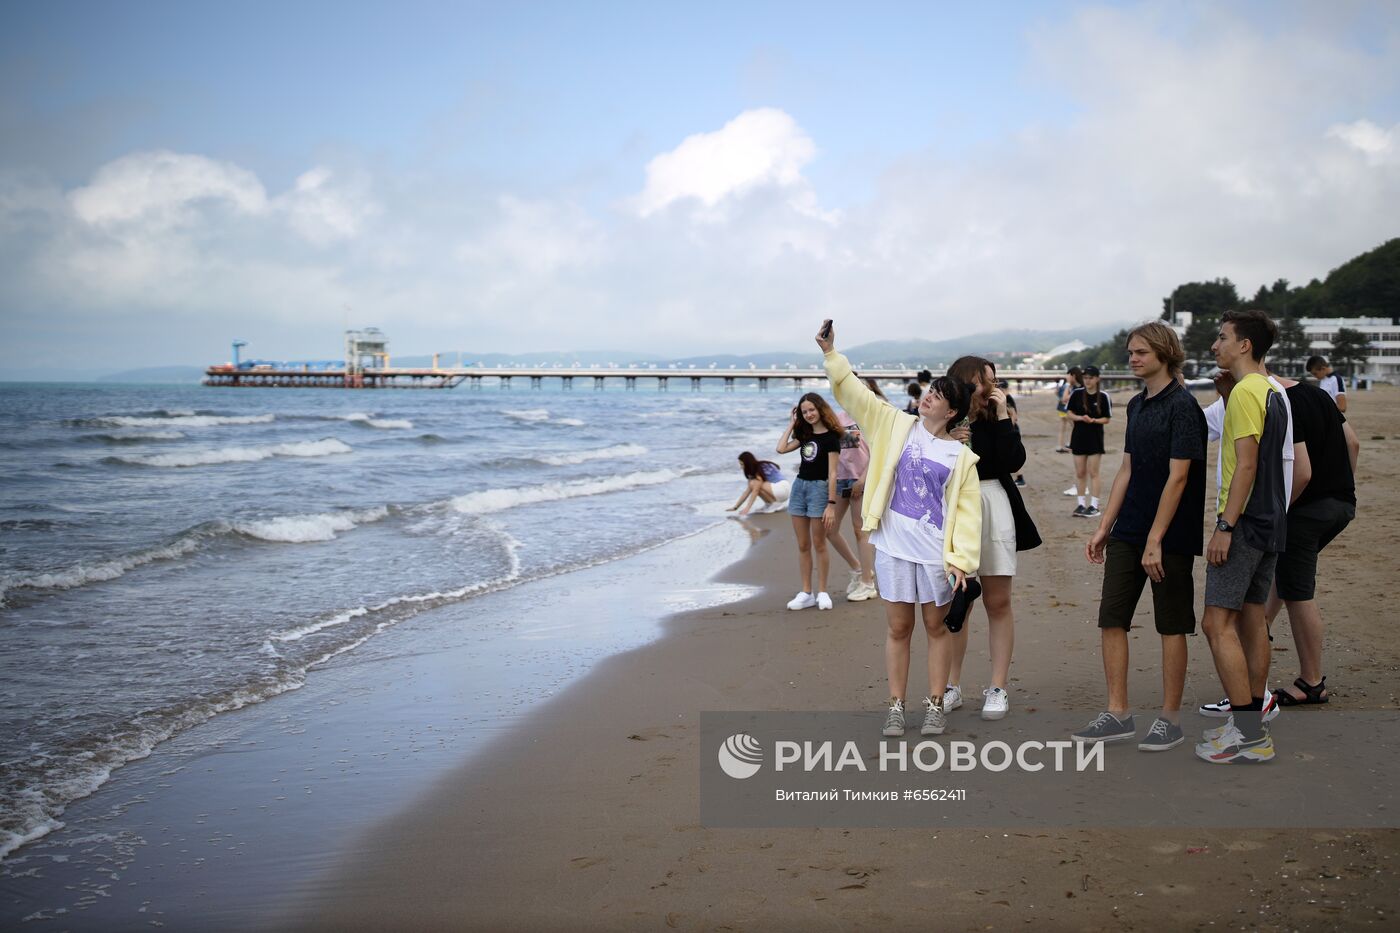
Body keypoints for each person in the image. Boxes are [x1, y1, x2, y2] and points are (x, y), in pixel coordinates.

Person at [818, 322, 982, 737]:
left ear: (953, 413)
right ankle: (895, 705)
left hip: (932, 554)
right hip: (892, 547)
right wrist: (831, 354)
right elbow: (855, 394)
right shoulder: (894, 424)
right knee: (898, 629)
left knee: (936, 628)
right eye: (931, 391)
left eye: (940, 397)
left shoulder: (960, 457)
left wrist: (961, 561)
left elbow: (966, 514)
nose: (930, 397)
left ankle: (935, 705)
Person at [1079, 323, 1207, 751]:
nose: (1133, 358)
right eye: (1131, 351)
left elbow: (1179, 476)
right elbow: (1127, 469)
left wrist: (1156, 539)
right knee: (1112, 618)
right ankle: (1118, 713)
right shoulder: (1136, 405)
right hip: (1128, 529)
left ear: (1165, 353)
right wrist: (1103, 527)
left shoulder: (1184, 407)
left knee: (1171, 626)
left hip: (1169, 536)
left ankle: (1169, 720)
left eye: (1141, 352)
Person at [1196, 309, 1289, 764]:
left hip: (1245, 523)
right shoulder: (1271, 389)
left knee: (1216, 624)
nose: (1216, 346)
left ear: (1244, 345)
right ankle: (1249, 725)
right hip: (1272, 520)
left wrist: (1224, 526)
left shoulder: (1247, 392)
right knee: (1252, 620)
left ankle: (1249, 735)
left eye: (1222, 338)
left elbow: (1246, 465)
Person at [944, 355, 1042, 720]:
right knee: (957, 602)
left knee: (998, 603)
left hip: (994, 504)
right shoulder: (942, 420)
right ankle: (951, 685)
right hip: (953, 510)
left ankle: (997, 686)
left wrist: (1003, 417)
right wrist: (946, 440)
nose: (988, 387)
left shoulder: (996, 417)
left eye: (992, 380)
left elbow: (1013, 462)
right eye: (982, 380)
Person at [1264, 374, 1356, 706]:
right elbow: (1353, 442)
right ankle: (1261, 626)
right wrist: (1343, 487)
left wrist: (1279, 512)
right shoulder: (1317, 395)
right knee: (1285, 572)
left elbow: (1302, 473)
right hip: (1342, 505)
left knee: (1299, 594)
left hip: (1306, 512)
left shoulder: (1283, 402)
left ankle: (1312, 682)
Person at [777, 393, 844, 611]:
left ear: (820, 408)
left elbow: (833, 473)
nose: (809, 414)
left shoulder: (832, 438)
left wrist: (831, 504)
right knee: (803, 545)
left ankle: (823, 592)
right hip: (799, 488)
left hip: (819, 489)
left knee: (819, 544)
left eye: (811, 410)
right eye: (804, 412)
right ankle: (806, 592)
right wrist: (792, 424)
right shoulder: (804, 434)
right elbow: (781, 448)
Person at [830, 380, 884, 602]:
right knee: (829, 528)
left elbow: (879, 451)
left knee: (860, 531)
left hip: (862, 479)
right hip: (840, 479)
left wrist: (863, 479)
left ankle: (868, 584)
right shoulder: (838, 418)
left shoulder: (872, 416)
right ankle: (858, 568)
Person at [1067, 365, 1111, 518]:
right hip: (1078, 437)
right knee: (1080, 473)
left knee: (1094, 472)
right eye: (1085, 378)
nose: (1087, 381)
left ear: (1097, 378)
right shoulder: (1077, 394)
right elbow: (1069, 413)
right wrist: (1080, 418)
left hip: (1095, 439)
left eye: (1090, 378)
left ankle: (1094, 505)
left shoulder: (1103, 396)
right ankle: (1080, 504)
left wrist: (1093, 420)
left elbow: (1107, 419)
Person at [726, 452, 790, 516]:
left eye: (742, 464)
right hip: (782, 489)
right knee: (753, 485)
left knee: (754, 485)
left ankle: (774, 504)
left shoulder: (759, 469)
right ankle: (769, 504)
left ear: (747, 463)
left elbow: (755, 491)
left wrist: (747, 508)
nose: (741, 467)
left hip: (781, 488)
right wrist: (736, 507)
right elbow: (747, 491)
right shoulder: (759, 466)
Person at [1056, 366, 1082, 453]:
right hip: (1066, 410)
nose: (1067, 377)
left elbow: (1060, 396)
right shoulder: (1071, 386)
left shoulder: (1073, 386)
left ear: (1073, 376)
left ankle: (1060, 446)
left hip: (1061, 409)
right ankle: (1071, 444)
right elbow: (1064, 398)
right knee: (1075, 427)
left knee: (1063, 428)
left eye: (1068, 375)